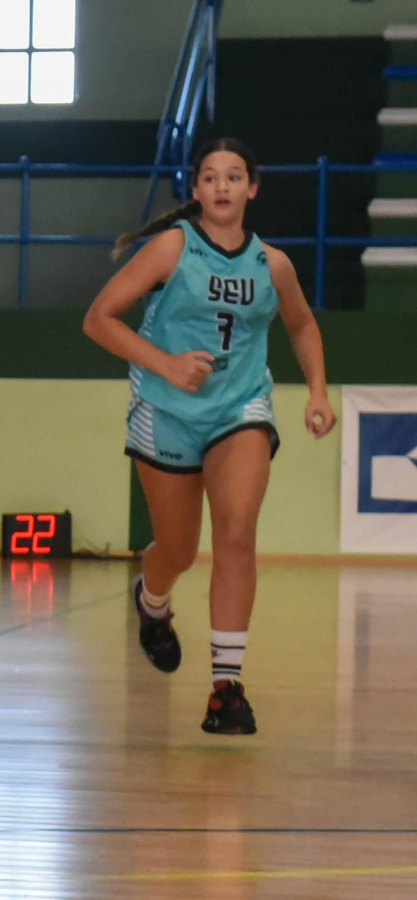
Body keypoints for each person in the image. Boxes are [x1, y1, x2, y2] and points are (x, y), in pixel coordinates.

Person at [83, 137, 336, 735]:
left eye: (234, 176)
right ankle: (153, 602)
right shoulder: (172, 248)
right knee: (178, 550)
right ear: (195, 190)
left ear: (252, 188)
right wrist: (166, 364)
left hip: (239, 408)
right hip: (165, 409)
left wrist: (319, 391)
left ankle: (226, 688)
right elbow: (99, 319)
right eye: (210, 176)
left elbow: (301, 324)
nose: (221, 186)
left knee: (238, 531)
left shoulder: (272, 264)